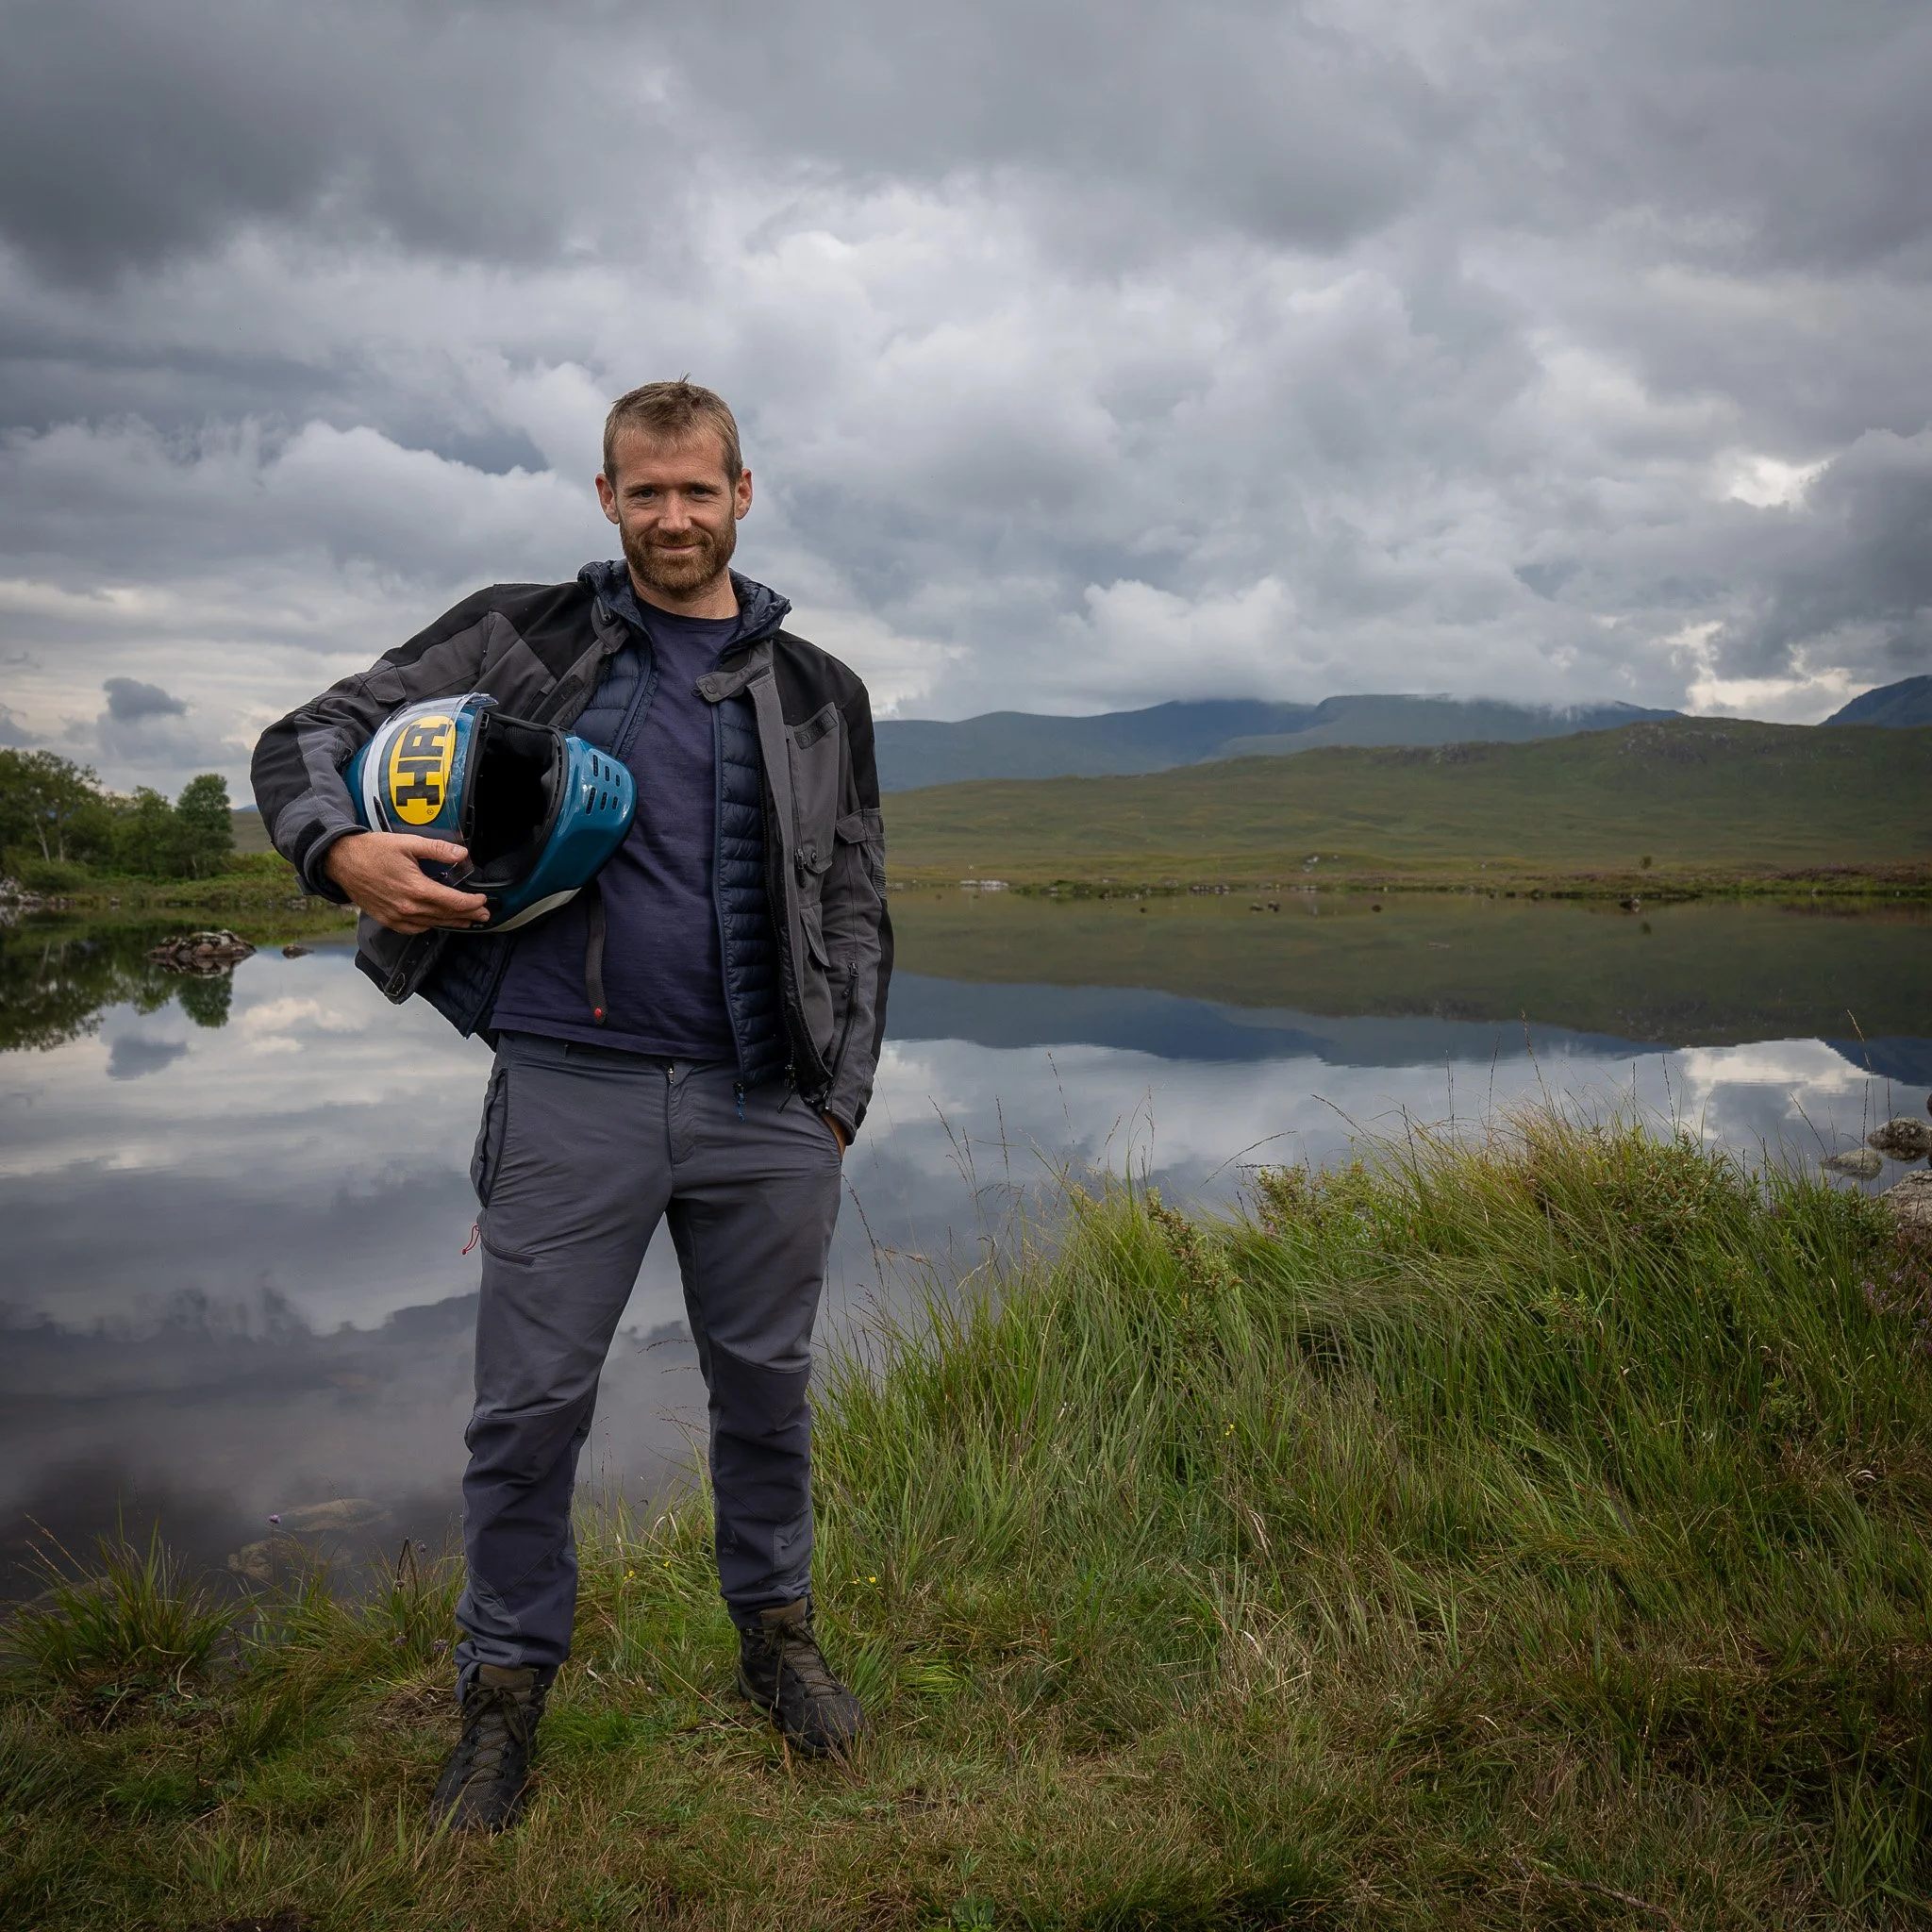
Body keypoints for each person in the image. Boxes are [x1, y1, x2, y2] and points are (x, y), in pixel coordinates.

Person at [251, 381, 892, 1830]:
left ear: (745, 493)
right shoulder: (521, 633)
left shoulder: (820, 693)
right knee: (529, 1418)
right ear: (605, 499)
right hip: (567, 1093)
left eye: (698, 490)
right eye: (644, 491)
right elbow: (301, 736)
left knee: (767, 1401)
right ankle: (500, 1699)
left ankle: (778, 1647)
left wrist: (836, 1100)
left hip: (766, 1111)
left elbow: (855, 901)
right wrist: (340, 848)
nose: (674, 516)